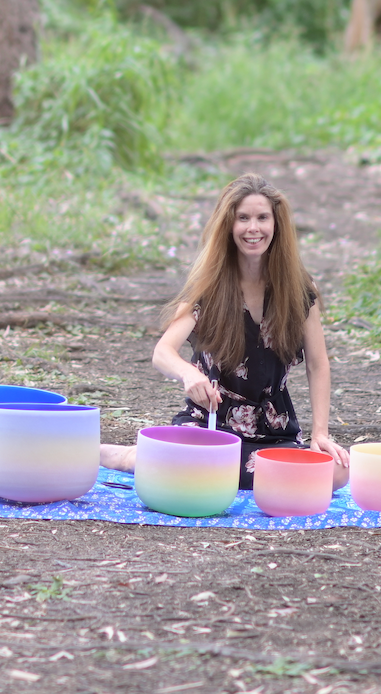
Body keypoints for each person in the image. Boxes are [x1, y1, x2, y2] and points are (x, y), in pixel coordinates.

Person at [100, 173, 349, 490]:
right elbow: (163, 353)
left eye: (262, 218)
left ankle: (214, 473)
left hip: (273, 431)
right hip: (209, 428)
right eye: (242, 218)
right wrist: (189, 375)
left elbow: (318, 364)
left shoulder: (298, 287)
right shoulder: (209, 286)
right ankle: (125, 457)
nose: (253, 228)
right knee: (179, 465)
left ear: (277, 225)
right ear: (229, 225)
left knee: (339, 472)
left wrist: (320, 434)